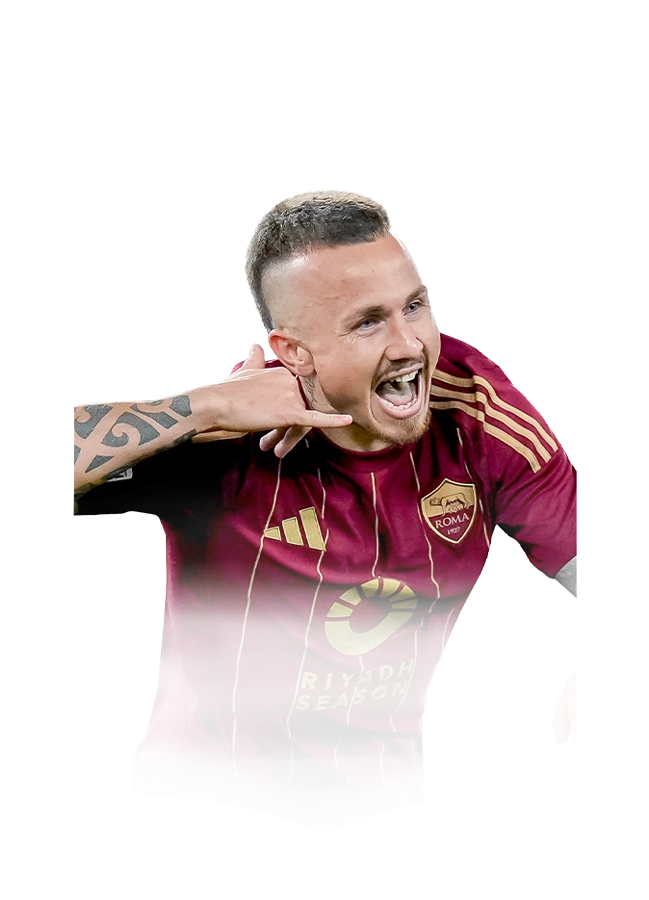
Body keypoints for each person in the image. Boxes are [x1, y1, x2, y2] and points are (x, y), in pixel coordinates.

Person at [73, 190, 578, 828]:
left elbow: (611, 572)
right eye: (367, 323)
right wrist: (208, 407)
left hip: (377, 804)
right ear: (292, 352)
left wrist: (609, 656)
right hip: (204, 791)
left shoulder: (480, 420)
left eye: (414, 306)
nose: (409, 345)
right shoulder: (224, 446)